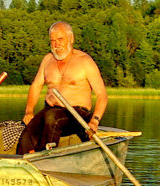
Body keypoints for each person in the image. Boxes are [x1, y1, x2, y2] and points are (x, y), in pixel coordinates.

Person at [16, 21, 108, 154]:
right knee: (27, 133)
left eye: (60, 39)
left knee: (52, 118)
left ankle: (45, 156)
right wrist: (29, 111)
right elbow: (36, 86)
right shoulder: (48, 60)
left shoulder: (85, 61)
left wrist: (95, 120)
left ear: (71, 39)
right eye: (52, 41)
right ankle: (20, 164)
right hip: (50, 110)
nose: (56, 44)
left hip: (77, 114)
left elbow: (102, 95)